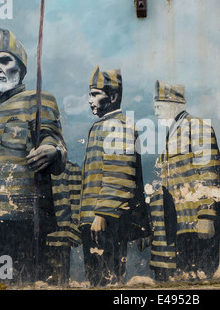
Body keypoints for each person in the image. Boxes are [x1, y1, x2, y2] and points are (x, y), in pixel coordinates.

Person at [0, 26, 67, 285]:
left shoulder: (39, 100)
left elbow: (53, 140)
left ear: (21, 67)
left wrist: (51, 151)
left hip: (23, 218)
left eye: (5, 60)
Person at [149, 79, 220, 281]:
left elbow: (209, 173)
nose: (155, 111)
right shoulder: (174, 133)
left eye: (159, 105)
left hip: (198, 225)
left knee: (201, 279)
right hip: (183, 226)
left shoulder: (197, 127)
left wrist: (206, 215)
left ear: (173, 105)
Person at [79, 65, 149, 287]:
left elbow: (118, 174)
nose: (90, 100)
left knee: (108, 280)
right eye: (89, 94)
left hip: (107, 222)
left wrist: (102, 214)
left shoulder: (119, 126)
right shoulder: (102, 125)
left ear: (113, 96)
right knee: (96, 280)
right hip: (94, 220)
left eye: (95, 94)